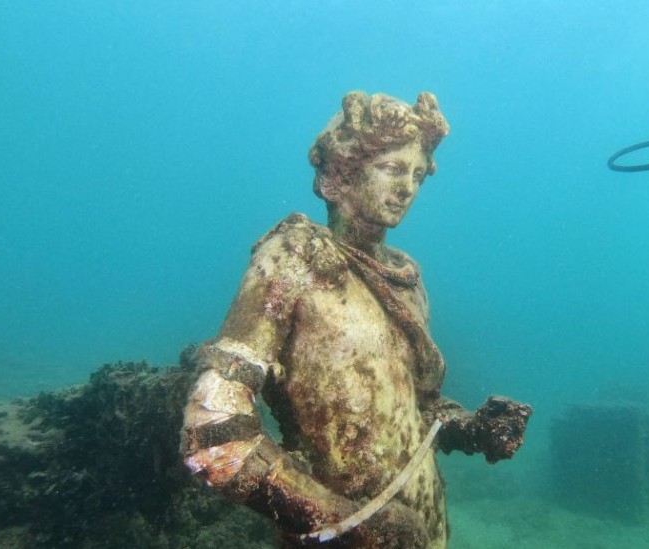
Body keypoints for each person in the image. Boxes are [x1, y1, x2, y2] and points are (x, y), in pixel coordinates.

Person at [180, 91, 531, 548]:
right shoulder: (295, 258)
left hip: (429, 532)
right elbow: (212, 434)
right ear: (342, 173)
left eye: (418, 174)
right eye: (391, 168)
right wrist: (353, 525)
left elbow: (412, 410)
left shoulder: (406, 279)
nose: (407, 187)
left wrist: (469, 428)